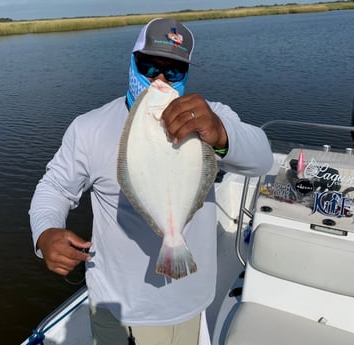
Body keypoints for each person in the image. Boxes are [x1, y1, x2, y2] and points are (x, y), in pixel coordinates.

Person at [29, 18, 273, 345]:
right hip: (118, 309)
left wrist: (219, 132)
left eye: (173, 71)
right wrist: (45, 232)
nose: (159, 79)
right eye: (148, 67)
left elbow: (261, 158)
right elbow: (54, 188)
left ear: (185, 74)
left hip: (191, 303)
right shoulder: (89, 127)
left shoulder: (208, 118)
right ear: (131, 62)